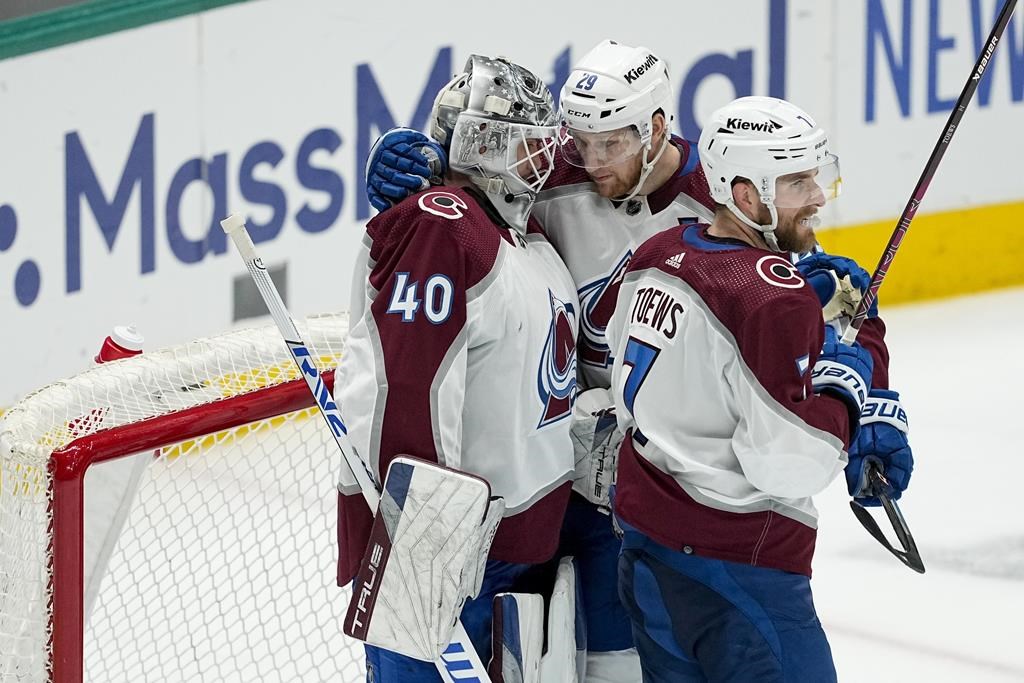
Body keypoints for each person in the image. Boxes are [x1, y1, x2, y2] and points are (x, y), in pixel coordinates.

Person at [362, 41, 909, 683]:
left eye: (610, 144)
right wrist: (416, 173)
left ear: (655, 128)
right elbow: (469, 207)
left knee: (612, 671)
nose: (589, 161)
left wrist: (872, 408)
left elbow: (806, 327)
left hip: (638, 498)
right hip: (535, 475)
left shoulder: (721, 208)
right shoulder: (552, 173)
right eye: (580, 140)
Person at [604, 95, 914, 682]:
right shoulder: (772, 298)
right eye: (798, 182)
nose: (818, 197)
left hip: (648, 556)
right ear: (746, 195)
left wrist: (845, 336)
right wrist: (849, 388)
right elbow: (787, 464)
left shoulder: (657, 253)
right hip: (740, 572)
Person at [335, 54, 580, 682]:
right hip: (448, 559)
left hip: (518, 553)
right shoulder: (445, 228)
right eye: (526, 147)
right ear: (483, 145)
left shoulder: (529, 242)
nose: (543, 163)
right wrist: (418, 547)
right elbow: (406, 387)